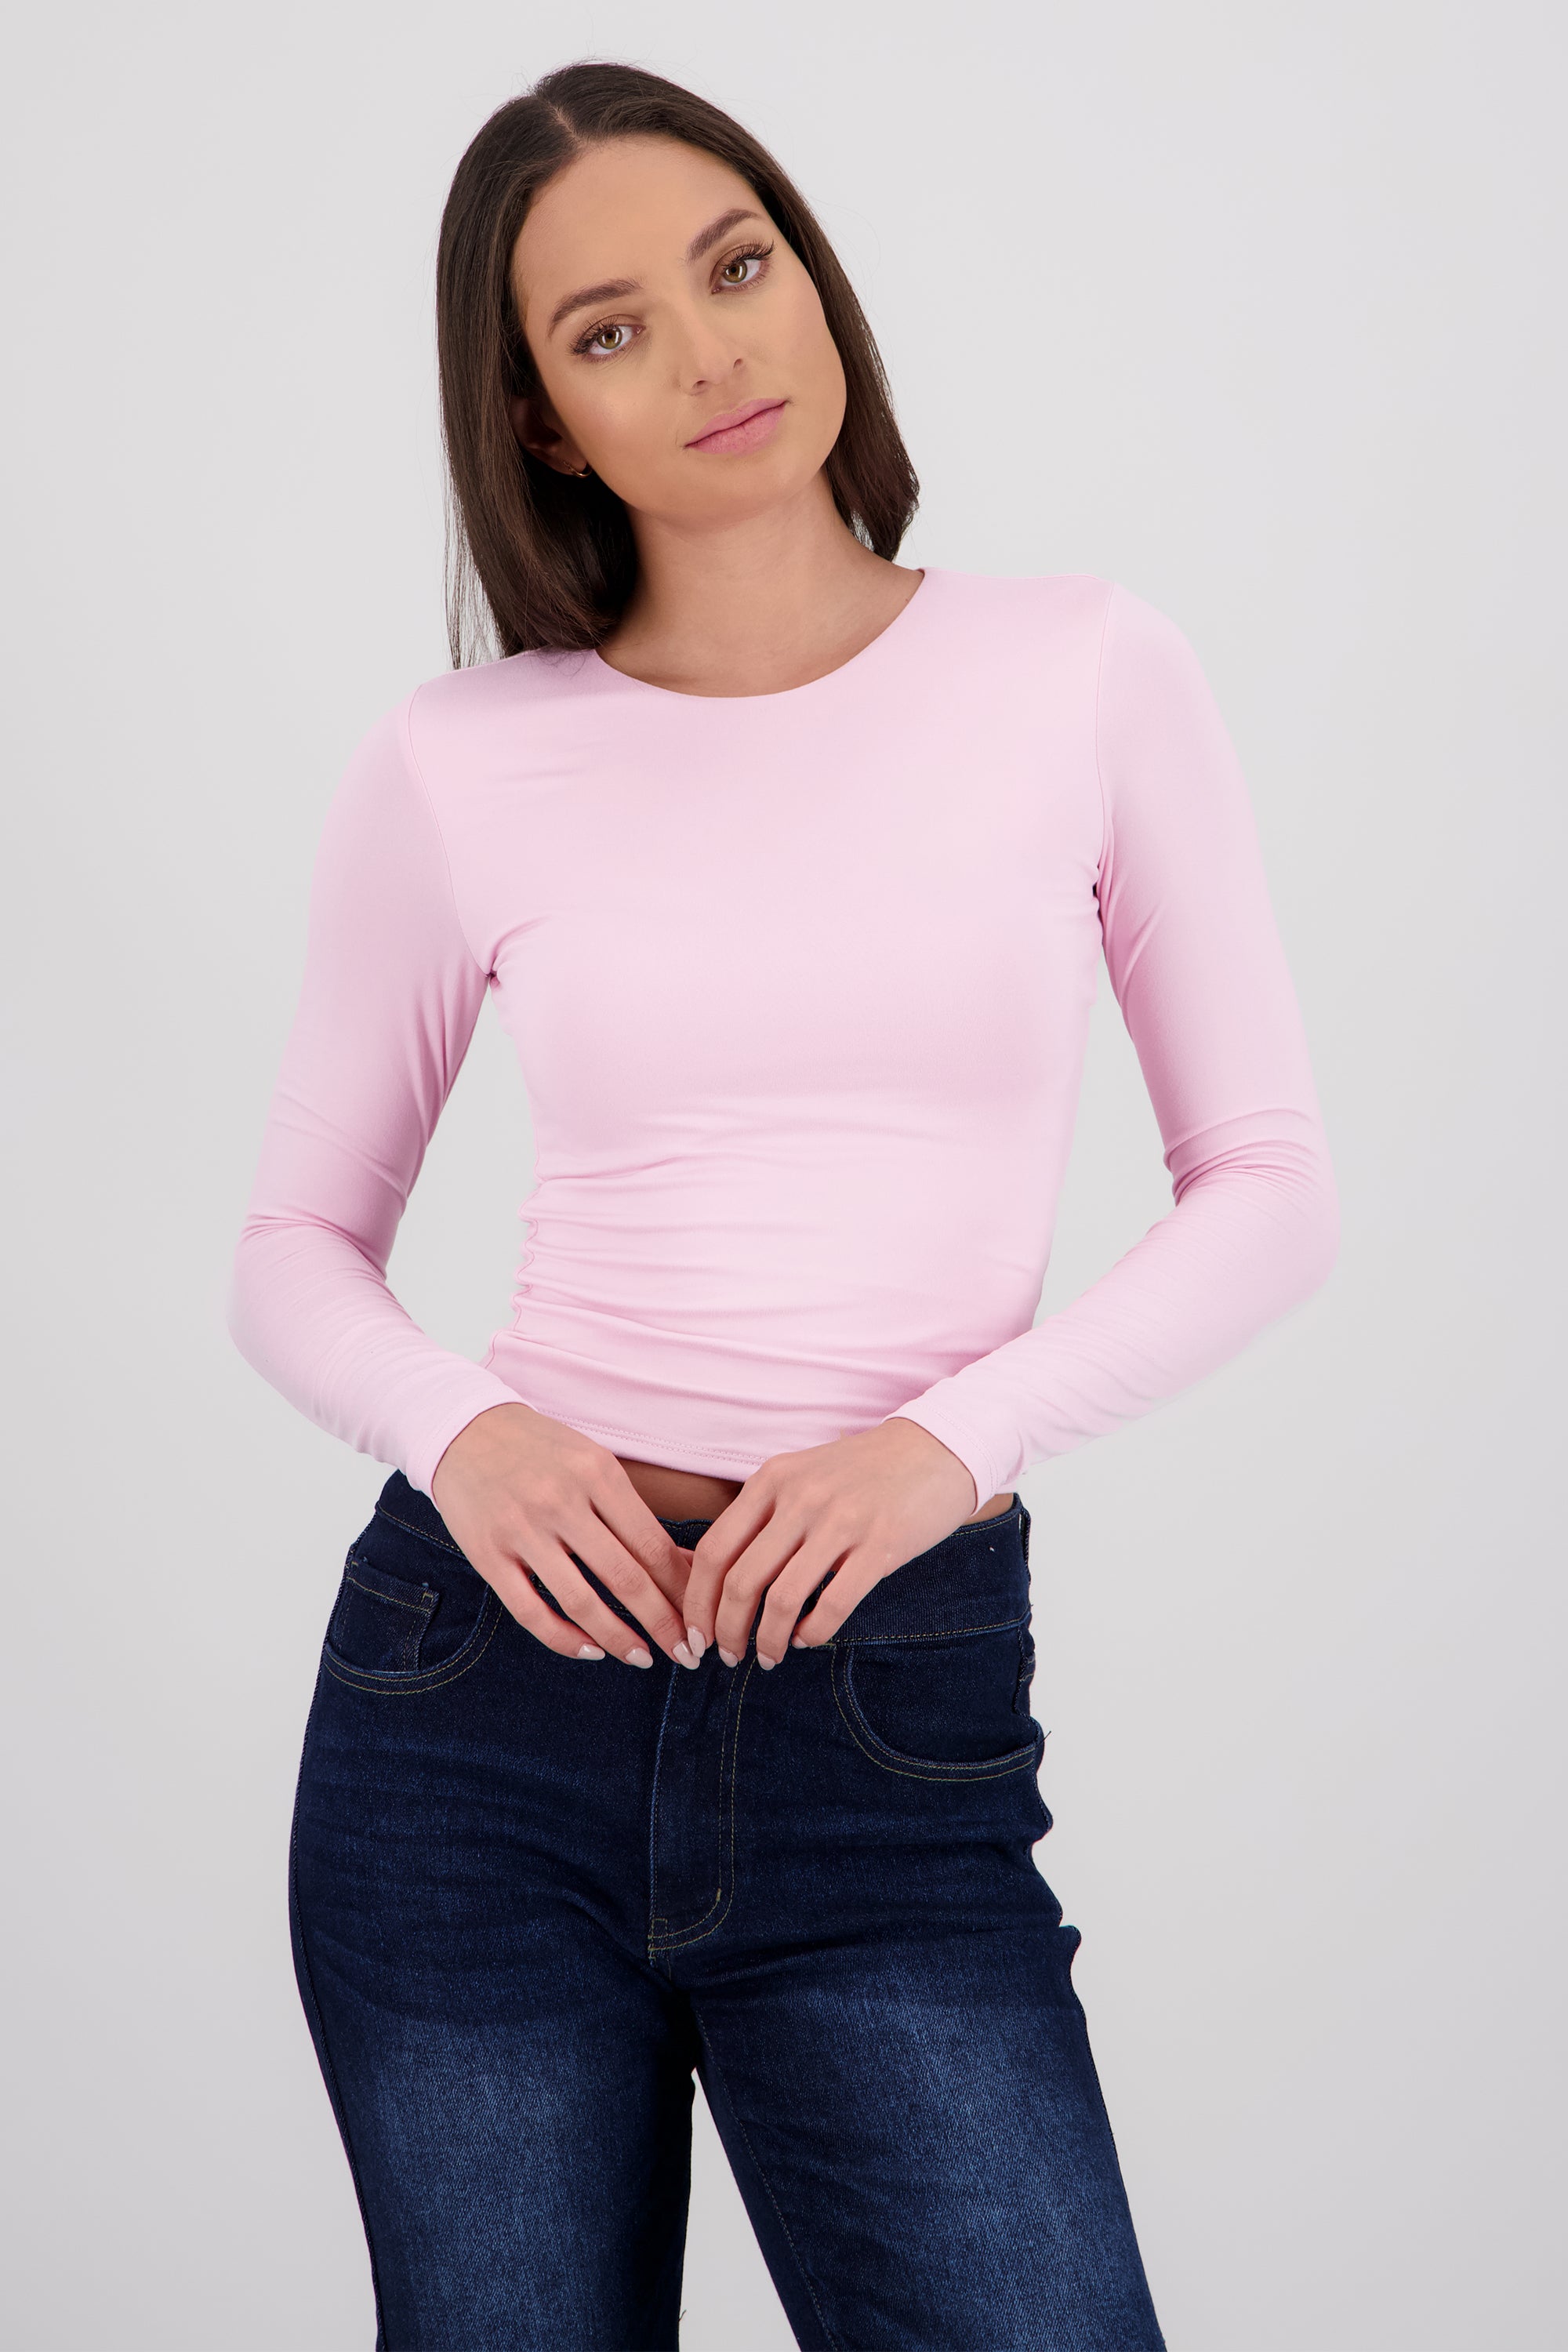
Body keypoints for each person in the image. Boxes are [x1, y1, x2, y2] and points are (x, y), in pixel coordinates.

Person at [227, 57, 1338, 2352]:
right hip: (479, 1712)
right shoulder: (460, 761)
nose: (712, 351)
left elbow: (1271, 1189)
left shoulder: (1082, 670)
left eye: (737, 267)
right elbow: (290, 1250)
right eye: (609, 329)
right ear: (539, 423)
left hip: (887, 1715)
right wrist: (465, 1433)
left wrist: (948, 1442)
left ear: (815, 280)